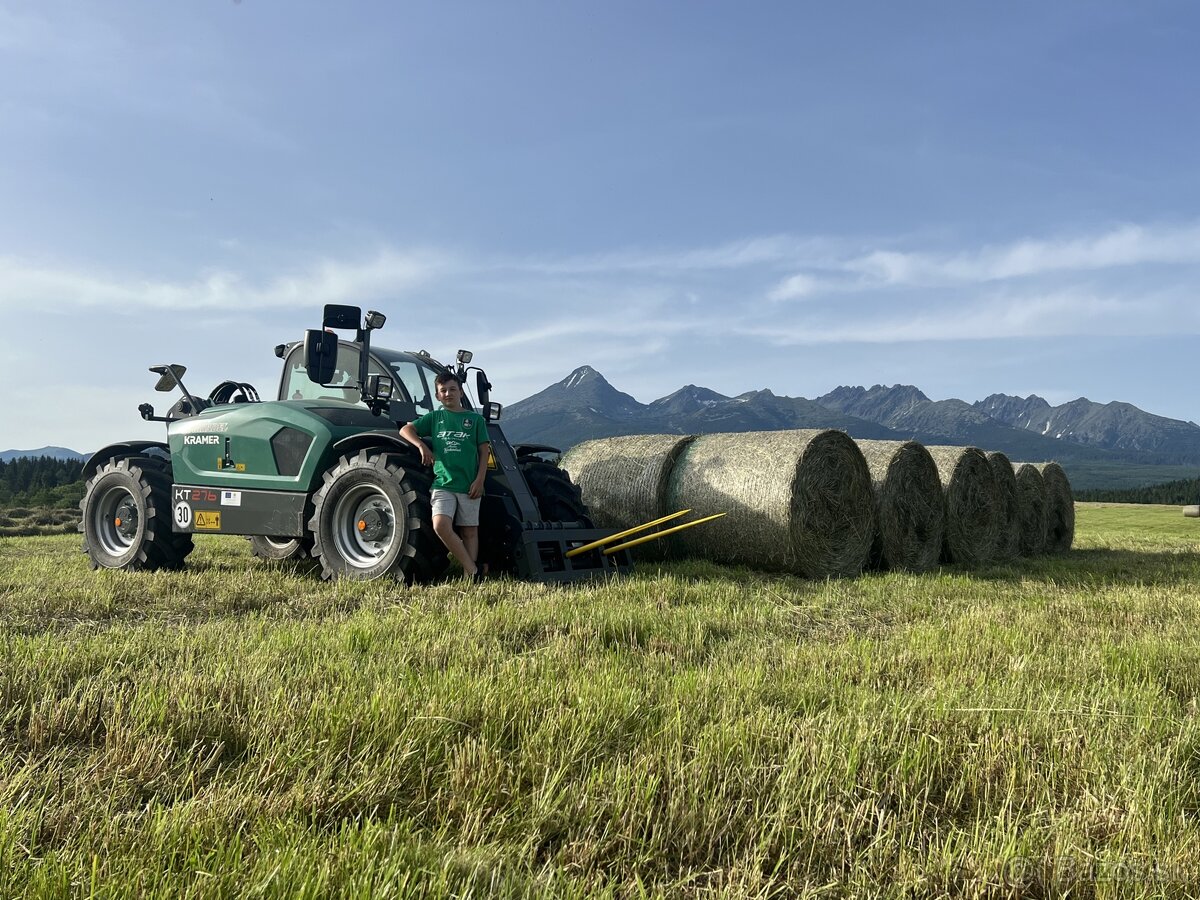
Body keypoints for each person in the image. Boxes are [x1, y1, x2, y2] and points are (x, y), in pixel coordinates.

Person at [399, 372, 490, 581]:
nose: (448, 393)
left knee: (469, 532)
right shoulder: (435, 418)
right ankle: (473, 569)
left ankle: (470, 576)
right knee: (440, 524)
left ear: (460, 392)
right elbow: (406, 430)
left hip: (469, 484)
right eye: (443, 391)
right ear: (438, 396)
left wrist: (480, 480)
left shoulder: (475, 420)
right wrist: (422, 445)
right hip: (443, 483)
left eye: (452, 389)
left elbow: (484, 452)